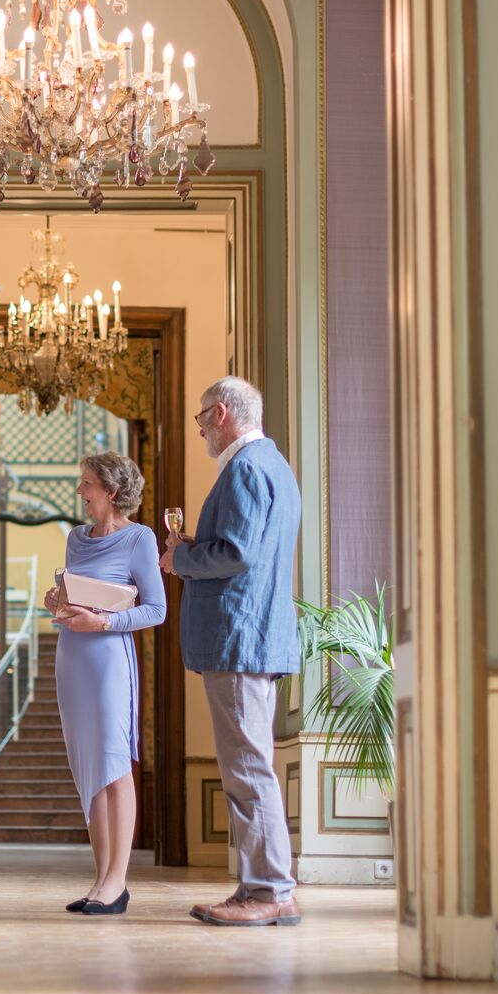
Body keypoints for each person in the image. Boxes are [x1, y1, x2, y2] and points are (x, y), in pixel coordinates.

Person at [160, 376, 304, 927]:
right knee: (251, 766)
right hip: (254, 636)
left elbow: (237, 553)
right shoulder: (275, 466)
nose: (200, 432)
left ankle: (268, 891)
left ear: (220, 413)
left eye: (200, 421)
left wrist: (182, 559)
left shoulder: (245, 467)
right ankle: (264, 887)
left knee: (247, 769)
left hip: (238, 639)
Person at [42, 451, 166, 916]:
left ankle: (117, 882)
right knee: (88, 769)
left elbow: (156, 610)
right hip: (72, 657)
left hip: (110, 659)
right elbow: (76, 597)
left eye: (87, 483)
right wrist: (59, 598)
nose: (80, 491)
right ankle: (99, 881)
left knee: (114, 764)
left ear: (111, 492)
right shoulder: (76, 538)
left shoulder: (140, 539)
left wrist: (105, 623)